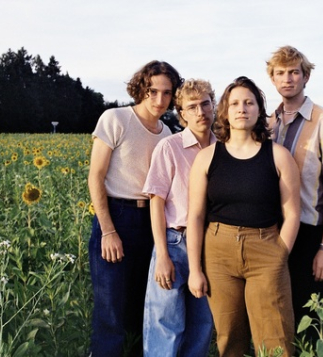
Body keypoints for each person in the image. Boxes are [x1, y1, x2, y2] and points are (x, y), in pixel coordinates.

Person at [187, 76, 301, 357]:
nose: (242, 108)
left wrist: (279, 253)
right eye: (235, 103)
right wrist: (195, 269)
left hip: (266, 250)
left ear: (259, 111)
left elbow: (292, 212)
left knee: (275, 338)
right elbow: (196, 216)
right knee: (229, 338)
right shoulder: (207, 157)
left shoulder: (278, 156)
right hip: (218, 253)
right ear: (225, 111)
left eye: (249, 102)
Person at [87, 60, 182, 357]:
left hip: (152, 222)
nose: (159, 99)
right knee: (111, 310)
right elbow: (95, 177)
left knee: (144, 307)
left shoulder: (168, 134)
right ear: (141, 88)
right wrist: (108, 231)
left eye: (167, 93)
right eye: (152, 91)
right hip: (116, 217)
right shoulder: (115, 119)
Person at [266, 45, 323, 341]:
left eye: (294, 72)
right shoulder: (266, 122)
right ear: (272, 79)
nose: (288, 79)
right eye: (280, 73)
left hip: (309, 234)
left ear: (306, 76)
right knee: (276, 316)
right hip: (270, 231)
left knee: (313, 323)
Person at [142, 79, 216, 356]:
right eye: (192, 107)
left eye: (206, 104)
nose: (200, 112)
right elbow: (156, 202)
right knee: (165, 324)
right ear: (181, 113)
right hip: (174, 242)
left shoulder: (223, 149)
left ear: (214, 105)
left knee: (202, 324)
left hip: (210, 244)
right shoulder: (169, 147)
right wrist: (161, 255)